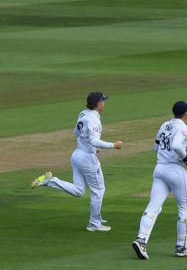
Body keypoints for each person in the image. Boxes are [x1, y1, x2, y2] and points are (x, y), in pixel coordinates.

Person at [31, 92, 122, 232]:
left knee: (79, 191)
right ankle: (94, 223)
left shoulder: (83, 114)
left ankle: (50, 181)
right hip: (86, 159)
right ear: (97, 104)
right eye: (102, 101)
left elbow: (77, 133)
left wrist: (92, 148)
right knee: (98, 191)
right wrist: (113, 145)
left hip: (77, 154)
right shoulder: (93, 119)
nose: (104, 103)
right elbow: (93, 140)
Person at [132, 101, 187, 261]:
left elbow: (156, 148)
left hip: (160, 169)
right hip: (175, 170)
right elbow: (176, 145)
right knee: (186, 208)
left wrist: (181, 149)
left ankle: (141, 240)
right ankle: (181, 247)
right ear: (185, 114)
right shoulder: (183, 127)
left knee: (153, 207)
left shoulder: (164, 125)